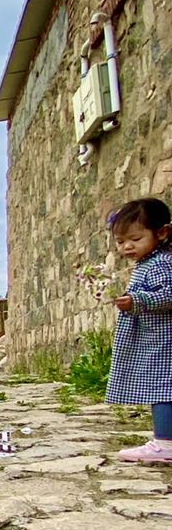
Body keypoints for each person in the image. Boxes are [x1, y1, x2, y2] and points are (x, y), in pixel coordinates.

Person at [106, 196, 172, 464]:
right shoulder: (150, 262)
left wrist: (139, 300)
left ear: (162, 232)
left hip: (163, 340)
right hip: (156, 337)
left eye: (135, 238)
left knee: (163, 389)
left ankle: (165, 443)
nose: (127, 247)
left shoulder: (160, 264)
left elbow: (168, 294)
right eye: (121, 242)